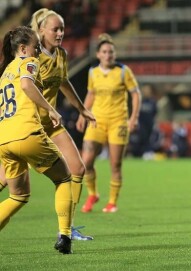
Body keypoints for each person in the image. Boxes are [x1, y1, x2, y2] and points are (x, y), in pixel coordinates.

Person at [0, 8, 97, 241]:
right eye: (56, 28)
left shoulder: (61, 54)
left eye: (62, 28)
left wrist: (81, 109)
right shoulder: (32, 58)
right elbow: (24, 86)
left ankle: (67, 227)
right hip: (29, 124)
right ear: (41, 30)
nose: (61, 33)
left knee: (78, 169)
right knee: (5, 182)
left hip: (49, 124)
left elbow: (64, 83)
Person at [0, 26, 73, 254]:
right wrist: (50, 109)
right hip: (27, 133)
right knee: (64, 178)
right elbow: (26, 84)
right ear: (23, 48)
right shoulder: (27, 62)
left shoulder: (4, 74)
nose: (39, 50)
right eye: (36, 46)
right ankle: (65, 236)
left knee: (18, 196)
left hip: (4, 140)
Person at [76, 33, 141, 214]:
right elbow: (91, 94)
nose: (108, 55)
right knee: (86, 161)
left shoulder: (123, 71)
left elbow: (136, 94)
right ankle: (92, 194)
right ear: (98, 54)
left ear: (114, 54)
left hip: (118, 122)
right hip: (97, 121)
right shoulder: (93, 72)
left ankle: (112, 202)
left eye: (111, 52)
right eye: (104, 52)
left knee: (115, 164)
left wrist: (133, 118)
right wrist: (83, 113)